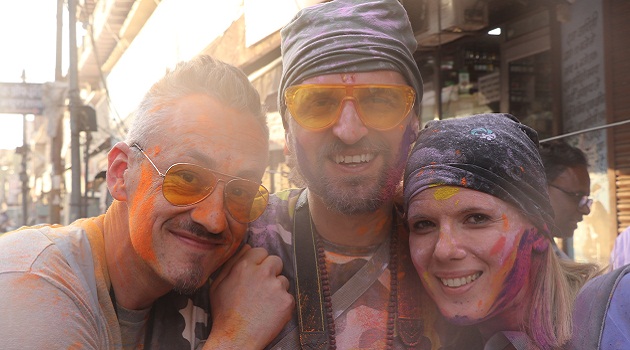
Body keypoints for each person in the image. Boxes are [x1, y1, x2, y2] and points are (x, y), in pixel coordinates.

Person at [0, 55, 293, 349]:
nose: (214, 219)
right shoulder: (34, 280)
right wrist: (237, 336)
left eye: (240, 192)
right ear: (120, 174)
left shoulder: (191, 294)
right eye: (187, 178)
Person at [246, 0, 455, 348]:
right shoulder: (237, 245)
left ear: (414, 122)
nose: (349, 130)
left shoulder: (453, 249)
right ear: (286, 130)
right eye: (317, 103)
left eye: (380, 101)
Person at [403, 113, 600, 349]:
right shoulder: (432, 338)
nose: (444, 250)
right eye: (424, 224)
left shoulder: (613, 314)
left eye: (476, 218)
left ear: (539, 229)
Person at [539, 140, 592, 258]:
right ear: (540, 189)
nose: (586, 210)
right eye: (577, 196)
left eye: (586, 199)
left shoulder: (552, 255)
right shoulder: (514, 257)